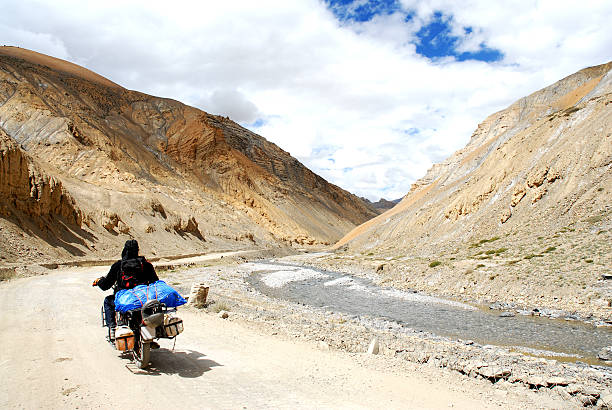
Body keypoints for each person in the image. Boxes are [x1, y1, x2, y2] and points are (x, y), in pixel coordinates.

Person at [92, 239, 159, 339]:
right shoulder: (146, 265)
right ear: (137, 250)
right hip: (143, 298)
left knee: (108, 301)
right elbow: (155, 282)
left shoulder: (118, 265)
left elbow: (106, 285)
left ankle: (112, 329)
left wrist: (99, 282)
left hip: (125, 298)